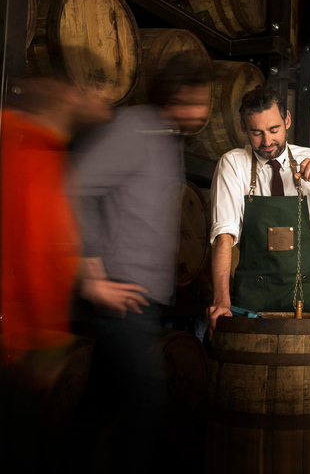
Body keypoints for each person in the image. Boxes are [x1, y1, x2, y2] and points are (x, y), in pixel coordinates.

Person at [70, 52, 212, 473]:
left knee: (99, 406)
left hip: (144, 302)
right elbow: (76, 188)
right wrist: (92, 275)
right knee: (148, 403)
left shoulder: (168, 137)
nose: (203, 111)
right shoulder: (134, 128)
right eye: (195, 100)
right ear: (173, 96)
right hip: (121, 296)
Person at [0, 75, 112, 472]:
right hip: (22, 340)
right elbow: (35, 254)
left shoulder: (16, 144)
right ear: (57, 106)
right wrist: (46, 339)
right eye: (71, 95)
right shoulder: (39, 155)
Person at [206, 85, 310, 337]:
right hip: (254, 295)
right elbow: (223, 236)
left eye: (274, 130)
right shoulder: (233, 164)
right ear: (243, 128)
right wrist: (221, 302)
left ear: (286, 120)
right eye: (256, 132)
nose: (267, 141)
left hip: (307, 293)